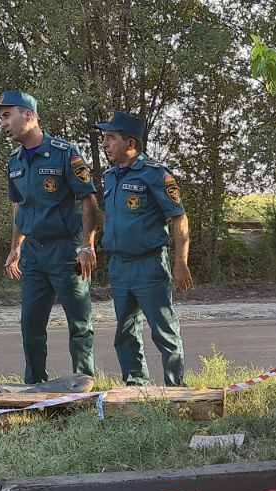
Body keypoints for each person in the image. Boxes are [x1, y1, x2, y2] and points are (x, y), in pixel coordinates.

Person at [0, 90, 98, 384]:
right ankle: (35, 386)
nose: (2, 123)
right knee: (31, 325)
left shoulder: (64, 153)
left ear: (28, 115)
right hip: (34, 254)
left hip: (65, 251)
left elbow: (88, 200)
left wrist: (87, 245)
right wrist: (16, 247)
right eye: (0, 118)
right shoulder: (14, 161)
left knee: (79, 323)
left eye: (6, 115)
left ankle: (83, 385)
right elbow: (19, 206)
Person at [95, 111, 192, 386]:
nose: (105, 144)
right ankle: (136, 386)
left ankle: (175, 388)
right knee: (125, 332)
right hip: (119, 266)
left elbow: (179, 218)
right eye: (104, 138)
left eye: (111, 138)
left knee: (164, 330)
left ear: (131, 143)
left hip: (149, 265)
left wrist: (181, 262)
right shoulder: (110, 176)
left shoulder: (155, 174)